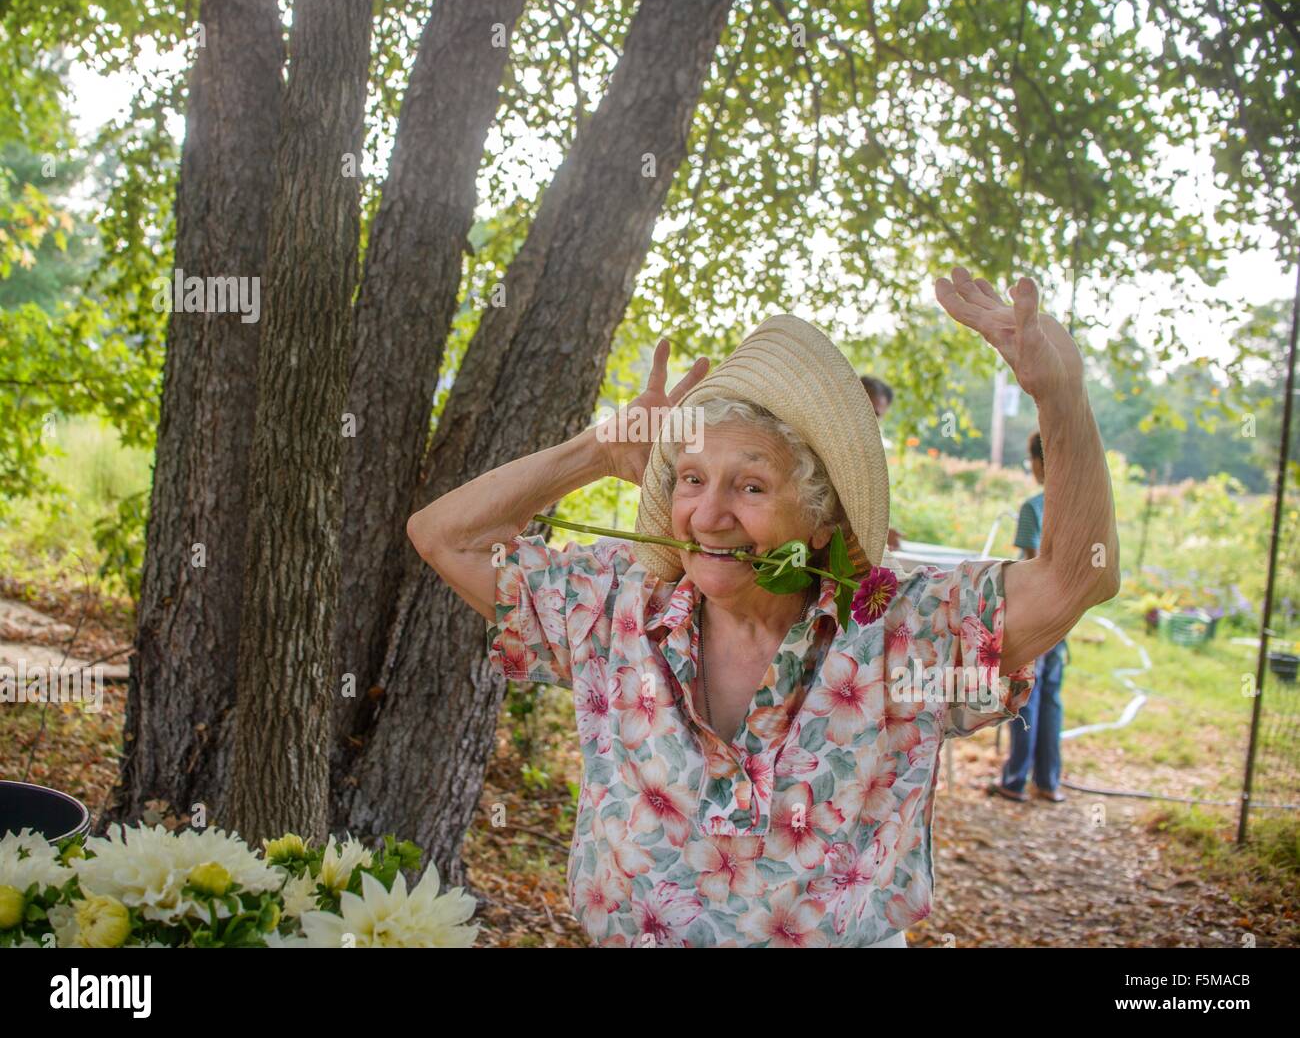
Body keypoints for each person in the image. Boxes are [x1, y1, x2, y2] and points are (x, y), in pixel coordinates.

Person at [408, 266, 1119, 947]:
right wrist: (597, 450)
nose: (709, 514)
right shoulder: (612, 607)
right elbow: (445, 535)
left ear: (820, 520)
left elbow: (1074, 578)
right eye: (690, 479)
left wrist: (1060, 395)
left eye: (750, 486)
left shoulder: (902, 632)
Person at [988, 430, 1069, 804]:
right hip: (1069, 611)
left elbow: (1033, 565)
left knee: (1027, 696)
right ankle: (1049, 781)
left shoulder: (1034, 507)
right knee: (1051, 696)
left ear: (1040, 463)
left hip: (1040, 613)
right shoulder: (1080, 510)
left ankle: (1015, 779)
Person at [861, 375, 902, 551]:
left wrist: (880, 534)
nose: (869, 418)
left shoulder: (867, 455)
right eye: (864, 407)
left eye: (876, 414)